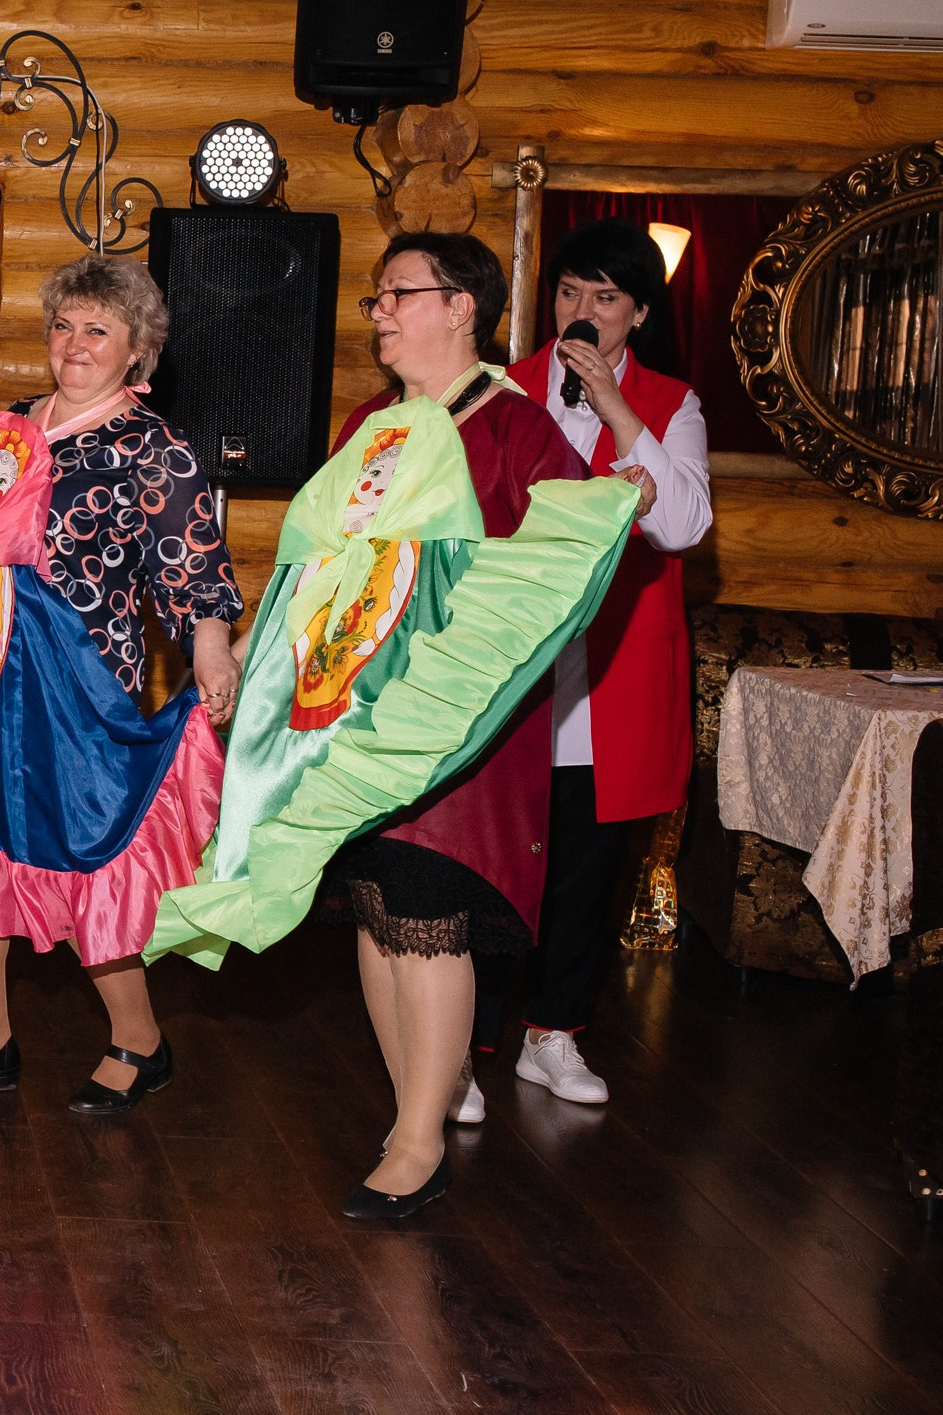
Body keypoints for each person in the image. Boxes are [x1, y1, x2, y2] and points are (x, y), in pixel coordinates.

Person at [149, 232, 640, 1219]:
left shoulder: (515, 428)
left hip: (452, 723)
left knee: (426, 915)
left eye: (397, 294)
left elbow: (548, 564)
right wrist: (253, 658)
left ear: (463, 306)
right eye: (377, 297)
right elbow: (313, 563)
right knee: (377, 911)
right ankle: (413, 1106)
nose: (378, 310)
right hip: (348, 708)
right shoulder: (370, 421)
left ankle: (422, 1138)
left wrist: (607, 506)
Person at [0, 254, 241, 1114]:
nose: (73, 344)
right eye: (63, 326)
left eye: (97, 330)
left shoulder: (154, 447)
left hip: (78, 685)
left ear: (137, 352)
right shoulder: (8, 426)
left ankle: (139, 1040)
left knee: (87, 856)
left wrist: (212, 650)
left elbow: (192, 567)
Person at [477, 218, 709, 1112]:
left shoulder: (672, 402)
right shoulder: (501, 388)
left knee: (581, 868)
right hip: (508, 667)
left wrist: (617, 407)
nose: (581, 313)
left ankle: (556, 1034)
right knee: (496, 867)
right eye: (569, 293)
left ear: (637, 314)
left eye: (604, 299)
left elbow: (680, 524)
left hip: (606, 675)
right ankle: (463, 1045)